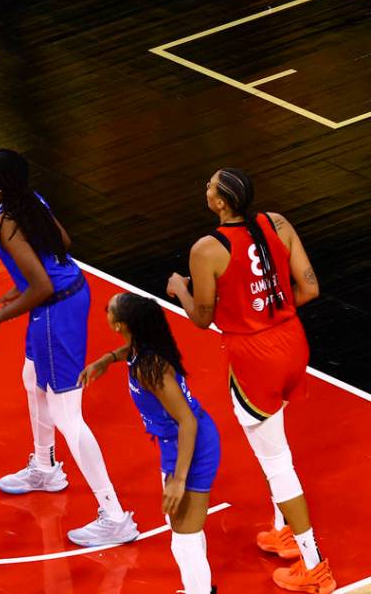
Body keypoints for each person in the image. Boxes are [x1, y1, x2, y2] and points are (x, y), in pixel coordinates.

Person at [167, 167, 335, 594]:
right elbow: (310, 287)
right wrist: (273, 318)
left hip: (255, 357)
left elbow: (202, 319)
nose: (204, 187)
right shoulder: (276, 222)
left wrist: (179, 290)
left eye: (210, 185)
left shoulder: (207, 249)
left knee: (276, 463)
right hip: (293, 343)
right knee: (277, 439)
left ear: (222, 203)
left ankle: (313, 566)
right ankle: (284, 532)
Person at [0, 148, 136, 547]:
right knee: (32, 378)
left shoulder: (7, 222)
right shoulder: (30, 200)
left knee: (67, 414)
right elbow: (62, 241)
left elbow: (43, 285)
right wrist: (20, 278)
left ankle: (114, 516)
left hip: (54, 310)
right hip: (71, 293)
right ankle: (45, 468)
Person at [80, 293, 221, 594]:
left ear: (119, 325)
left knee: (182, 537)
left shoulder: (149, 368)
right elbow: (129, 350)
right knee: (185, 530)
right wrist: (107, 359)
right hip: (177, 443)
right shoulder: (144, 346)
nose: (106, 309)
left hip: (190, 444)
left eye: (110, 308)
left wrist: (179, 480)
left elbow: (188, 422)